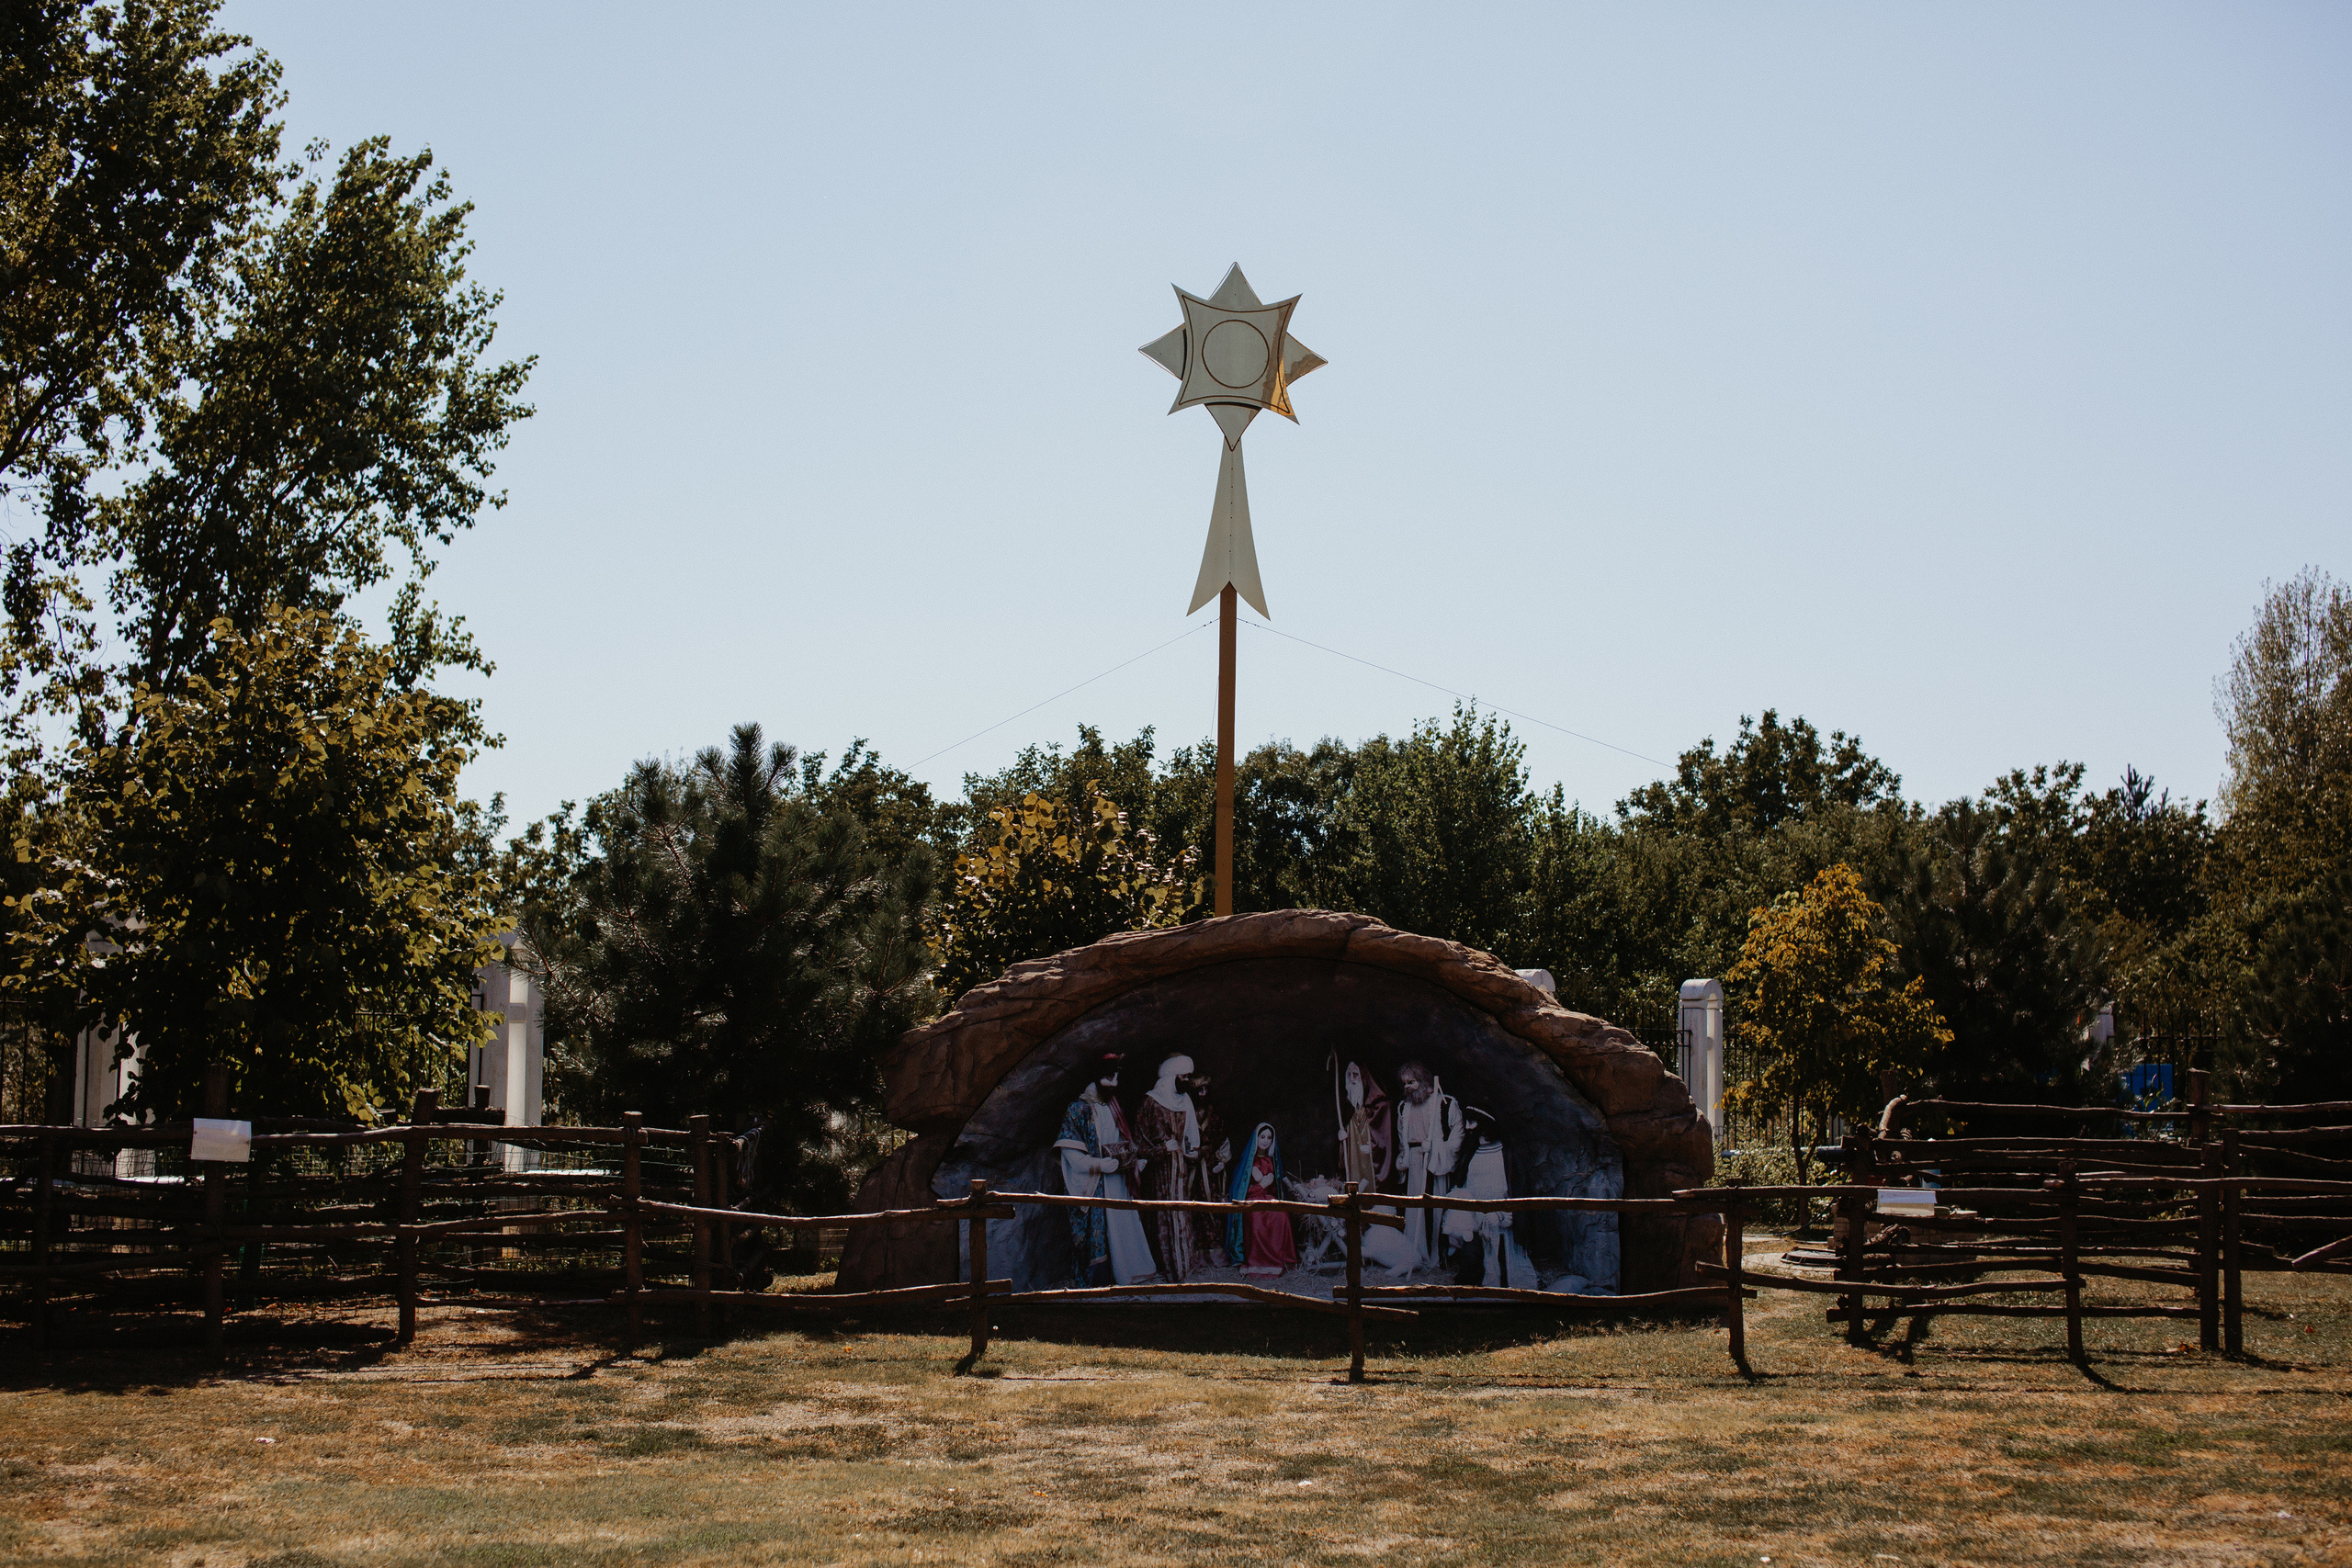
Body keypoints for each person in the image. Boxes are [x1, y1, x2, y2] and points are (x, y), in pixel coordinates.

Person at [1053, 1055, 1158, 1287]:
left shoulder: (1113, 1108)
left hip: (1117, 1180)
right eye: (1110, 1077)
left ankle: (1129, 1273)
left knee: (1123, 1226)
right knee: (1097, 1233)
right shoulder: (1078, 1109)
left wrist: (1133, 1160)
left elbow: (1121, 1142)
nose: (1115, 1084)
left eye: (1117, 1078)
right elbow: (1071, 1155)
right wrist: (1099, 1164)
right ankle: (1099, 1281)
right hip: (1095, 1183)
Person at [1442, 1103, 1537, 1288]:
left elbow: (1516, 1193)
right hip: (1476, 1221)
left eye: (1472, 1122)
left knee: (1504, 1267)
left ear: (1485, 1125)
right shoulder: (1470, 1154)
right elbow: (1463, 1187)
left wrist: (1502, 1215)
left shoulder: (1507, 1156)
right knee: (1472, 1262)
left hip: (1502, 1223)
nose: (1468, 1127)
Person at [1132, 1053, 1203, 1282]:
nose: (1186, 1082)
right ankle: (1170, 1271)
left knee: (1182, 1216)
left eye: (1188, 1077)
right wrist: (1162, 1149)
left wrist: (1191, 1149)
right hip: (1159, 1173)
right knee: (1165, 1219)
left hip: (1180, 1170)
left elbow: (1191, 1134)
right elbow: (1139, 1143)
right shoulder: (1150, 1102)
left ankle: (1185, 1269)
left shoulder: (1186, 1102)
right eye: (1182, 1077)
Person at [1393, 1060, 1463, 1273]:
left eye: (1411, 1082)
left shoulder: (1445, 1103)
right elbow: (1401, 1139)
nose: (1407, 1087)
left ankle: (1436, 1256)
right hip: (1414, 1163)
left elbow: (1457, 1135)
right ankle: (1416, 1256)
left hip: (1434, 1163)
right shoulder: (1404, 1108)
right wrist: (1405, 1158)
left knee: (1435, 1210)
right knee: (1414, 1211)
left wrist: (1436, 1148)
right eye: (1404, 1083)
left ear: (1423, 1081)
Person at [1225, 1122, 1299, 1276]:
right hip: (1251, 1201)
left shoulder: (1271, 1161)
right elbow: (1241, 1190)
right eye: (1262, 1137)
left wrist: (1268, 1184)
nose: (1265, 1141)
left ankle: (1278, 1259)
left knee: (1281, 1215)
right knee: (1256, 1218)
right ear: (1256, 1138)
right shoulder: (1247, 1163)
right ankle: (1258, 1261)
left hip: (1268, 1199)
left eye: (1269, 1138)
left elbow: (1274, 1190)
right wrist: (1260, 1185)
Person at [1183, 1066, 1234, 1269]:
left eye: (1206, 1090)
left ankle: (1216, 1256)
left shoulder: (1215, 1116)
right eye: (1199, 1090)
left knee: (1213, 1212)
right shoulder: (1184, 1114)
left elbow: (1223, 1141)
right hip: (1192, 1171)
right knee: (1193, 1213)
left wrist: (1222, 1161)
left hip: (1211, 1171)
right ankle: (1197, 1258)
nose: (1203, 1094)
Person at [1332, 1057, 1392, 1189]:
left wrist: (1373, 1147)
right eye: (1349, 1075)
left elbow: (1384, 1137)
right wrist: (1343, 1139)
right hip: (1354, 1158)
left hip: (1370, 1161)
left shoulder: (1378, 1106)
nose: (1352, 1079)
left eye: (1356, 1075)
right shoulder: (1348, 1108)